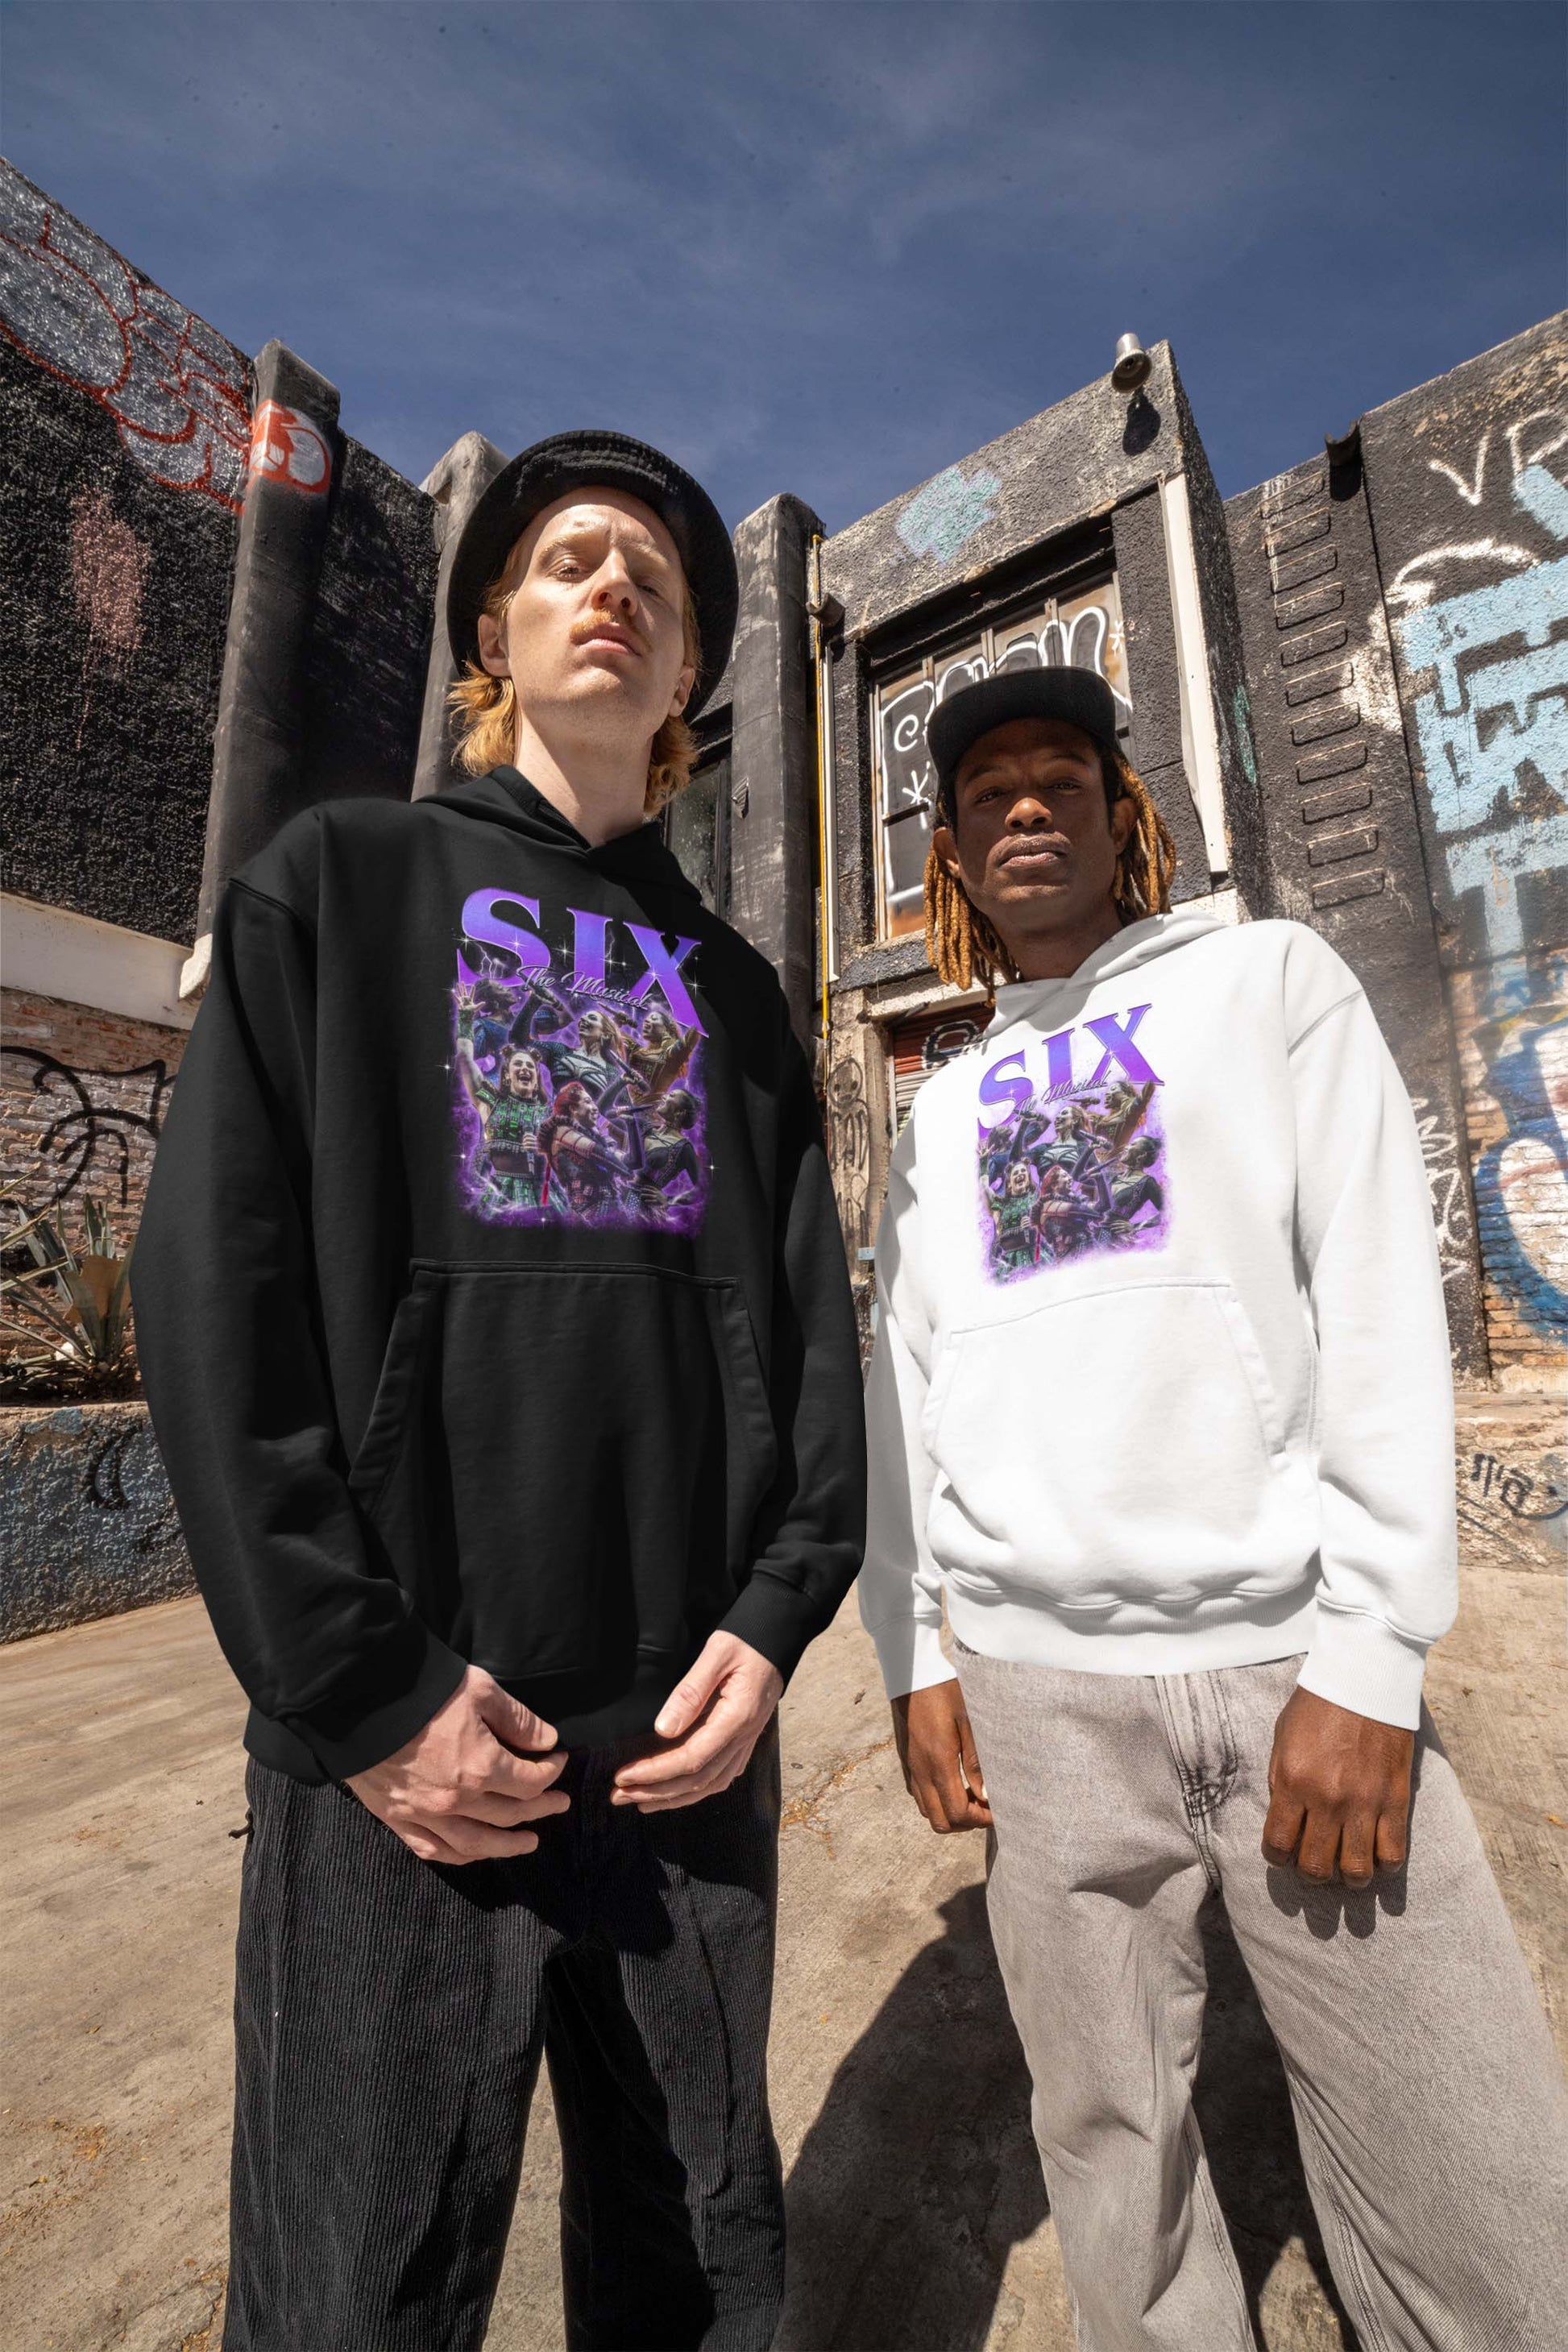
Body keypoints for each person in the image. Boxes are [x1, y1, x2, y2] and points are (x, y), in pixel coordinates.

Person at [134, 429, 865, 2352]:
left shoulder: (740, 994)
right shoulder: (336, 885)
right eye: (566, 559)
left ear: (688, 669)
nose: (611, 584)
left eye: (654, 578)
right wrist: (359, 1684)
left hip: (680, 1749)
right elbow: (215, 1296)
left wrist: (775, 1619)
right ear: (493, 634)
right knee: (356, 2288)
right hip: (404, 1750)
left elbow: (812, 1338)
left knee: (695, 2263)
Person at [860, 664, 1568, 2350]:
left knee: (1461, 2143)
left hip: (1286, 1662)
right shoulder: (940, 1109)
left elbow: (1377, 1302)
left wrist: (1371, 1653)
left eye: (1061, 777)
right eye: (985, 795)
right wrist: (916, 1649)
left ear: (1127, 817)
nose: (1024, 808)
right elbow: (905, 1384)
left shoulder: (1269, 983)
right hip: (1035, 1689)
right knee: (1116, 2149)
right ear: (950, 857)